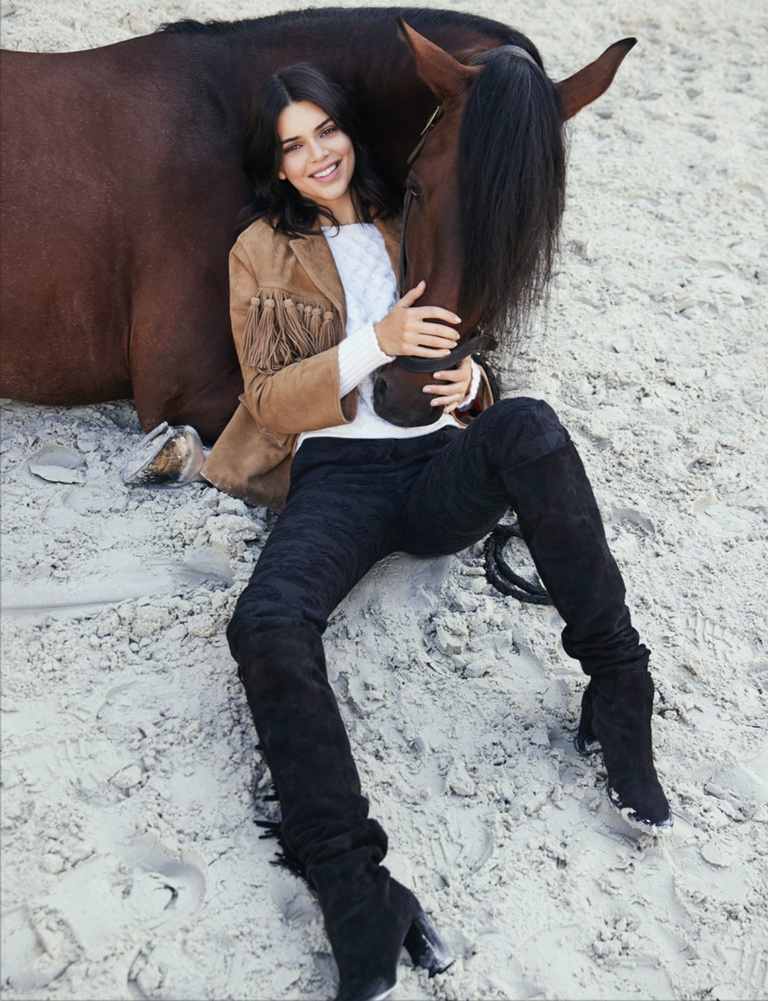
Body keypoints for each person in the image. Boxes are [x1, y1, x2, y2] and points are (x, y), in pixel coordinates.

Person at [125, 63, 671, 1001]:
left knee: (530, 424)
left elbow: (468, 332)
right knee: (266, 622)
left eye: (326, 130)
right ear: (278, 166)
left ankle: (621, 692)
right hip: (337, 478)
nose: (317, 154)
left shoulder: (409, 217)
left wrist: (477, 383)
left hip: (438, 466)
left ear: (350, 132)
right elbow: (268, 397)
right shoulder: (260, 250)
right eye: (293, 145)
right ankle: (356, 889)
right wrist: (374, 341)